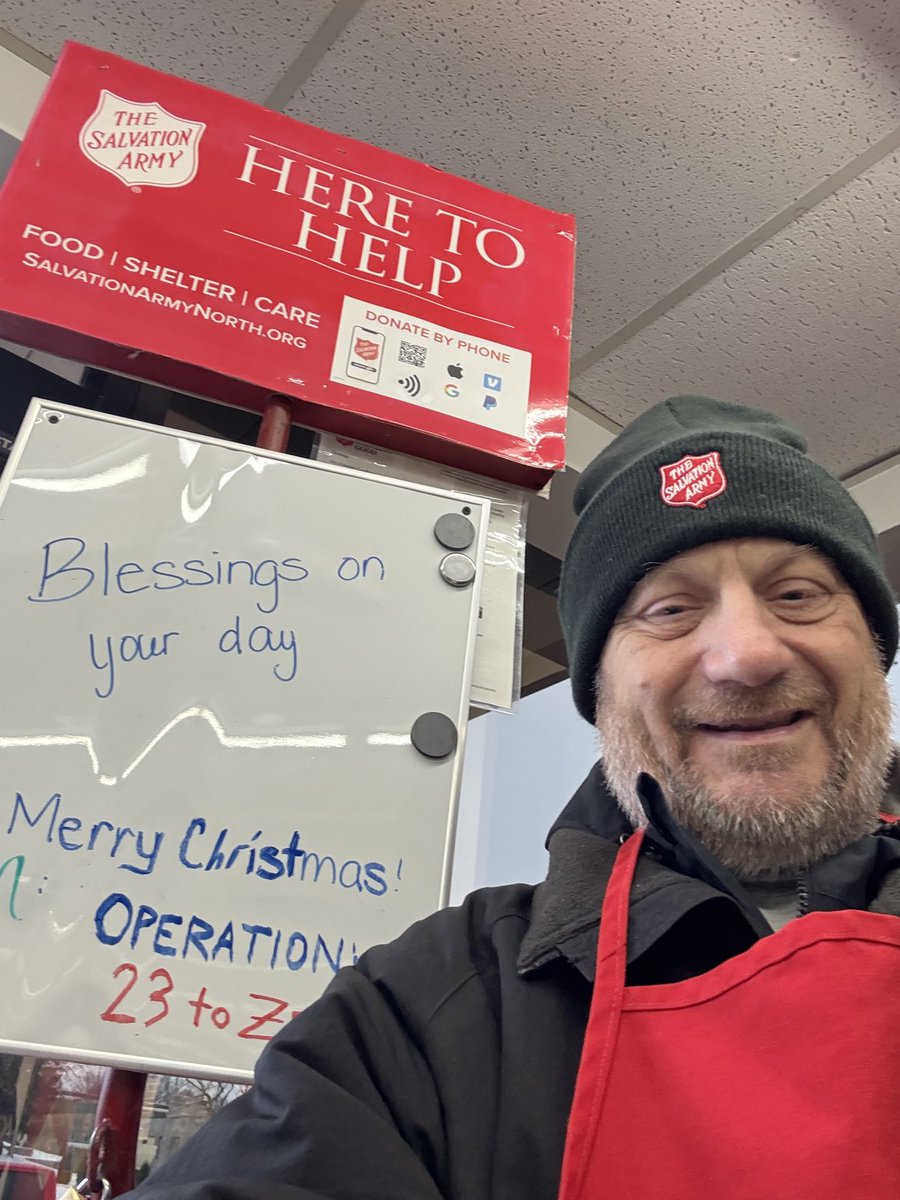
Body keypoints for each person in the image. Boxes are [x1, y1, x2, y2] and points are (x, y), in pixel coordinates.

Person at [126, 395, 900, 1199]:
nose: (745, 654)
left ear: (874, 645)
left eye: (798, 594)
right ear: (601, 696)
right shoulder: (431, 1011)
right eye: (670, 610)